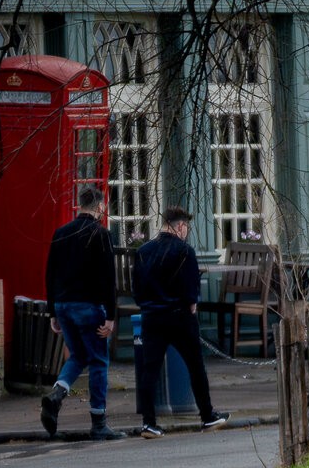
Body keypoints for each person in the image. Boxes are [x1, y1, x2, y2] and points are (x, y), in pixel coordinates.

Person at [130, 206, 228, 436]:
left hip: (152, 316)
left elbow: (137, 288)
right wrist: (190, 304)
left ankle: (148, 422)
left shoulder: (143, 251)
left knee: (149, 370)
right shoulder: (185, 251)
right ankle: (207, 416)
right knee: (195, 366)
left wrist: (147, 306)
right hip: (180, 315)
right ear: (181, 226)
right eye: (187, 228)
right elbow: (191, 290)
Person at [40, 186, 122, 440]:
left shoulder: (61, 233)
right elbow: (109, 277)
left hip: (64, 306)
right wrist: (111, 315)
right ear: (100, 207)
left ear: (79, 205)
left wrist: (53, 311)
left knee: (78, 356)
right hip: (90, 307)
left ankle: (56, 394)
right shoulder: (101, 234)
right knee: (98, 361)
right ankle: (99, 423)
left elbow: (50, 273)